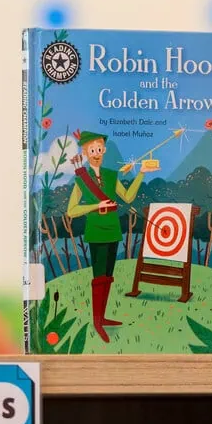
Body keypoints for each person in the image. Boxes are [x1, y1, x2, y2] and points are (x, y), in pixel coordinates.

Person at [65, 131, 146, 343]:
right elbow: (71, 211)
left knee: (108, 277)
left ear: (104, 151)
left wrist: (141, 174)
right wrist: (96, 206)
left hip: (112, 230)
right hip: (96, 231)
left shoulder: (111, 175)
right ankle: (97, 321)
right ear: (85, 153)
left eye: (99, 149)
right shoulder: (81, 180)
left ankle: (102, 318)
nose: (96, 153)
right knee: (99, 278)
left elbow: (127, 197)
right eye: (92, 150)